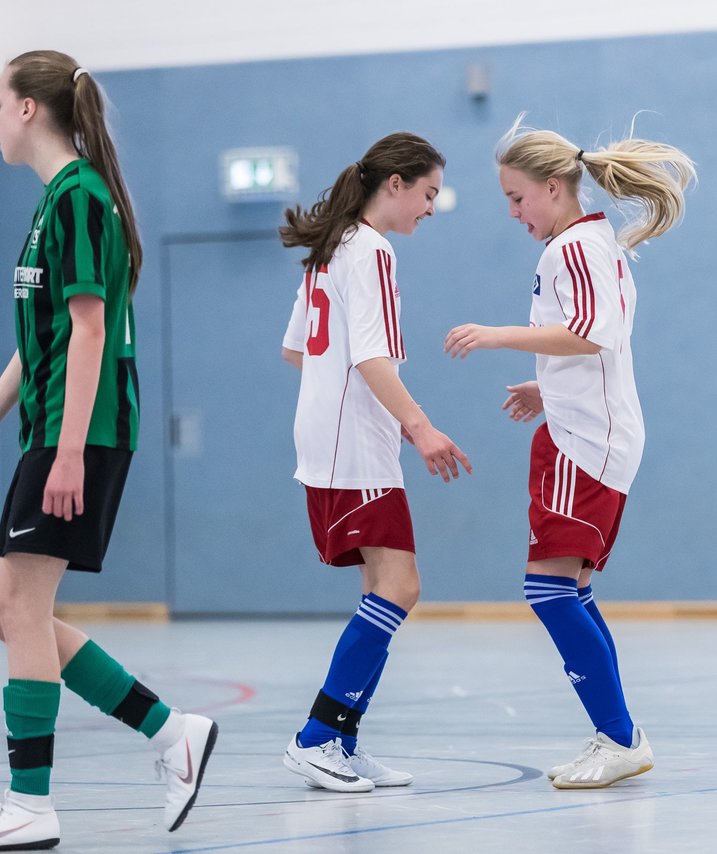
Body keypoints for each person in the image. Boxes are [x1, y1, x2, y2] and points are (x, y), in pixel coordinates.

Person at [0, 51, 216, 850]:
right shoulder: (55, 202)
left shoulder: (81, 198)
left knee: (21, 609)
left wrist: (65, 453)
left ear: (28, 110)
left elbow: (89, 330)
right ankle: (173, 733)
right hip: (53, 429)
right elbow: (49, 337)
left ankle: (31, 804)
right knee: (10, 615)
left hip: (79, 434)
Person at [444, 116, 694, 789]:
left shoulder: (571, 250)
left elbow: (588, 334)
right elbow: (593, 344)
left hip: (586, 442)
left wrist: (498, 337)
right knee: (571, 591)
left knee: (549, 592)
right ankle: (619, 736)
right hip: (585, 428)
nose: (513, 212)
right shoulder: (590, 243)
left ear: (554, 188)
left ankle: (620, 738)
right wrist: (545, 387)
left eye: (516, 197)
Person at [278, 132, 470, 794]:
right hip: (355, 447)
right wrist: (419, 428)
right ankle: (319, 736)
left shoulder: (328, 251)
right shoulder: (374, 252)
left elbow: (297, 352)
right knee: (400, 586)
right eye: (427, 193)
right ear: (395, 184)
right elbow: (368, 356)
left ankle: (342, 739)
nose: (429, 207)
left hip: (328, 440)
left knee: (385, 587)